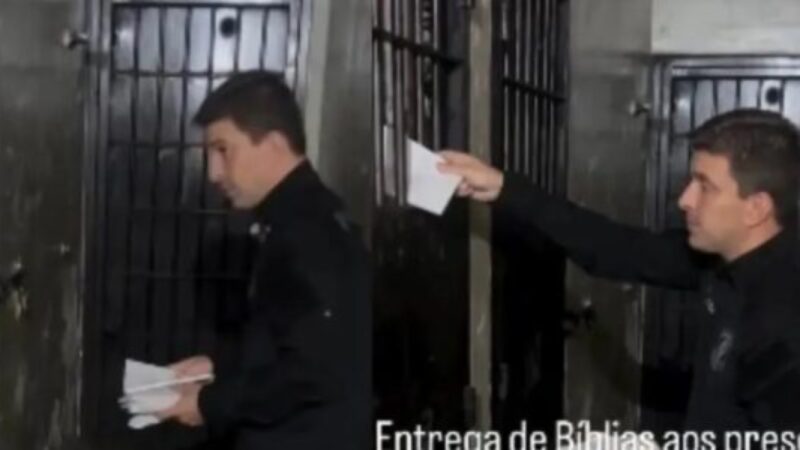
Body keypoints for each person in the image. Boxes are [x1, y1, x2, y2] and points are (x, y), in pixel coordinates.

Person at [438, 109, 800, 434]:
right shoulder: (721, 260)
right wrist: (502, 187)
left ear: (756, 209)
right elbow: (615, 247)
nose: (685, 200)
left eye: (705, 187)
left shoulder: (785, 316)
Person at [157, 71, 371, 450]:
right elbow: (292, 341)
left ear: (273, 144)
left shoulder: (308, 232)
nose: (214, 173)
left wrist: (210, 403)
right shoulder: (302, 218)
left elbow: (312, 374)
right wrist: (219, 369)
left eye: (223, 150)